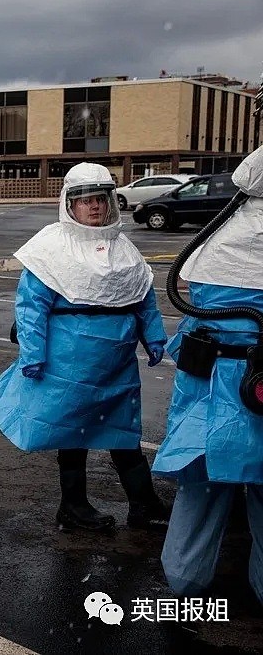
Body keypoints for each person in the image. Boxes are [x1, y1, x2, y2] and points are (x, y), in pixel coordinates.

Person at [0, 163, 171, 531]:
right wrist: (32, 354)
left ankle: (144, 505)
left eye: (101, 198)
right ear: (70, 204)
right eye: (85, 200)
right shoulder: (50, 248)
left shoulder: (122, 248)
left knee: (124, 433)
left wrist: (154, 336)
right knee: (73, 434)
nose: (94, 206)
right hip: (69, 364)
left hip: (118, 365)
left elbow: (143, 297)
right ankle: (73, 507)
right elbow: (31, 308)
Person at [154, 145, 263, 603]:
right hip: (252, 384)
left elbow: (193, 317)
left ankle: (184, 583)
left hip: (208, 383)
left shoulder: (221, 238)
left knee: (200, 487)